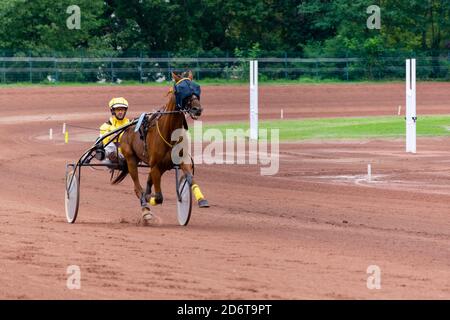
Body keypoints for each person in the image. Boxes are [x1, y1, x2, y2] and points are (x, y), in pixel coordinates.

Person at [98, 97, 131, 164]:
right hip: (114, 156)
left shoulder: (131, 125)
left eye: (122, 110)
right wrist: (111, 137)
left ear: (125, 111)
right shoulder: (105, 126)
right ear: (113, 111)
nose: (120, 112)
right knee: (109, 147)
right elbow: (106, 143)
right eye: (118, 110)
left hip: (129, 154)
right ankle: (101, 154)